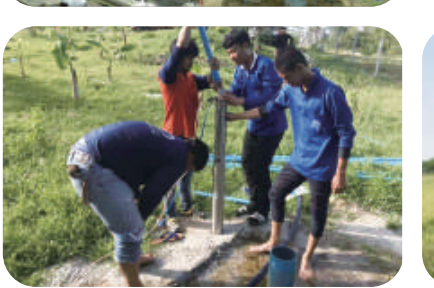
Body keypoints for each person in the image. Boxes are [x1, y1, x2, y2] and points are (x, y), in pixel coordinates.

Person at [248, 47, 356, 283]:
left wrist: (340, 172)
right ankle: (274, 241)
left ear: (300, 69)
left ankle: (306, 257)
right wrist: (237, 114)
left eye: (286, 78)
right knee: (275, 192)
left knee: (318, 215)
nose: (285, 83)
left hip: (323, 167)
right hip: (299, 160)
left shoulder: (331, 93)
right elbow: (269, 109)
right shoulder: (291, 90)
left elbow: (346, 133)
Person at [67, 121, 210, 287]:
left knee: (128, 220)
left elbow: (131, 165)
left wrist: (133, 206)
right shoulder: (180, 158)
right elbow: (152, 195)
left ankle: (133, 258)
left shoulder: (173, 144)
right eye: (189, 170)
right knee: (130, 229)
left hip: (81, 154)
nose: (185, 173)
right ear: (192, 160)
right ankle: (133, 282)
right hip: (90, 169)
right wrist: (136, 222)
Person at [219, 28, 284, 226]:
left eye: (234, 51)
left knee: (260, 168)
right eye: (228, 53)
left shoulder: (267, 66)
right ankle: (254, 204)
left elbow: (267, 100)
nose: (231, 57)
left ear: (246, 46)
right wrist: (223, 93)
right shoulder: (240, 70)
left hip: (272, 127)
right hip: (254, 126)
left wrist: (239, 102)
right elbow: (236, 92)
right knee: (247, 163)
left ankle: (263, 211)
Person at [158, 27, 219, 228]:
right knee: (170, 177)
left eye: (192, 58)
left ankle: (186, 208)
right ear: (178, 57)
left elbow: (211, 82)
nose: (190, 61)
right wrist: (190, 21)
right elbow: (179, 47)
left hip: (189, 134)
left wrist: (214, 70)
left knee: (187, 175)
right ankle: (170, 215)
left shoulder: (191, 78)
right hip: (173, 135)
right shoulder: (168, 75)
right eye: (188, 57)